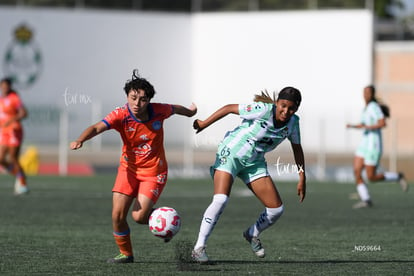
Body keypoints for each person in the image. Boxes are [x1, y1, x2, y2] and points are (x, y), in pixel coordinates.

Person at [70, 70, 197, 263]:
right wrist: (81, 139)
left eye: (143, 100)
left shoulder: (159, 111)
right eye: (133, 98)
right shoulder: (120, 115)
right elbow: (96, 127)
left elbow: (176, 109)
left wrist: (191, 112)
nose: (137, 104)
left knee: (138, 217)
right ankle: (126, 254)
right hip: (128, 170)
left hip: (154, 173)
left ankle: (168, 222)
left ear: (149, 100)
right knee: (117, 216)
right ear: (127, 96)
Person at [191, 87, 306, 263]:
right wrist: (204, 123)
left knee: (276, 210)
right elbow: (229, 108)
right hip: (231, 153)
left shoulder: (293, 123)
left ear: (296, 109)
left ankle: (252, 233)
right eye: (283, 106)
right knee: (221, 199)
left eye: (291, 108)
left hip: (254, 163)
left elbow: (297, 149)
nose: (286, 111)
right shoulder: (263, 110)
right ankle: (199, 248)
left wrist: (302, 176)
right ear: (277, 103)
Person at [347, 85, 408, 209]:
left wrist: (368, 127)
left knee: (371, 177)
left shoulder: (374, 107)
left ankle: (398, 176)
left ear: (372, 94)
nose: (366, 95)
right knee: (357, 171)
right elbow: (364, 124)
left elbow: (382, 123)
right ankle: (366, 199)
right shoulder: (366, 108)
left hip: (373, 145)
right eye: (364, 92)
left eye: (368, 93)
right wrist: (353, 126)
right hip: (364, 144)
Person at [0, 78, 29, 195]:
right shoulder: (2, 99)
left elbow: (24, 113)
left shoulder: (14, 98)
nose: (5, 88)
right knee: (1, 159)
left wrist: (11, 120)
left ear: (10, 87)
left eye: (7, 86)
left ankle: (22, 182)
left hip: (14, 131)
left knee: (13, 158)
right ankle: (19, 175)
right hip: (4, 132)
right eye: (3, 85)